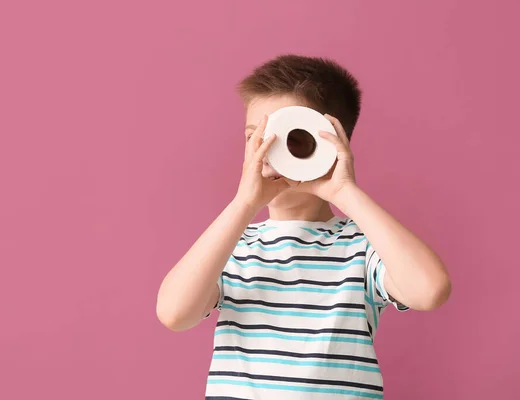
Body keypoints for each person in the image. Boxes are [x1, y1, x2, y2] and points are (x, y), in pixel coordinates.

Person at [156, 54, 451, 400]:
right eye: (255, 138)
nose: (268, 153)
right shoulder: (233, 245)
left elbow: (430, 290)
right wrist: (244, 204)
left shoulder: (363, 246)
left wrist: (345, 191)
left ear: (331, 145)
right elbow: (175, 313)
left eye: (291, 139)